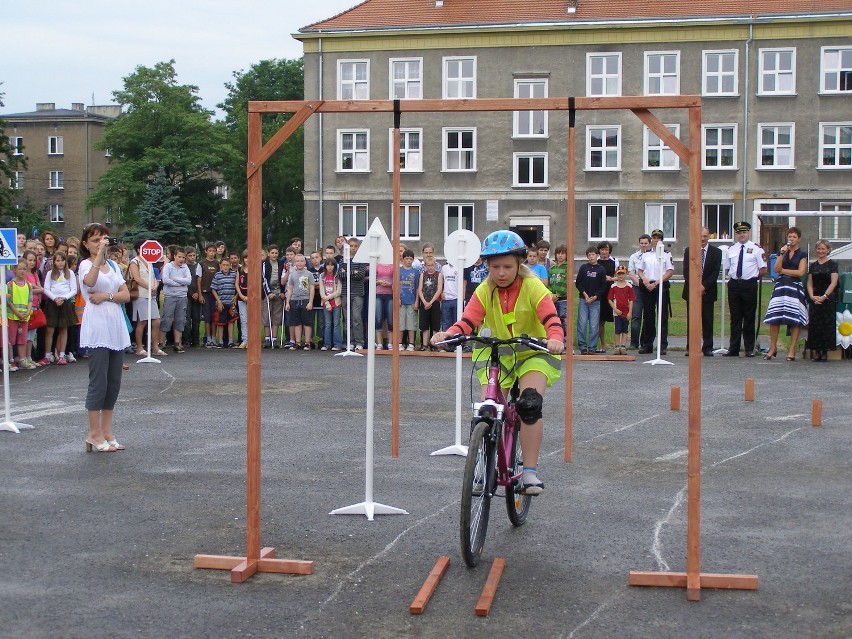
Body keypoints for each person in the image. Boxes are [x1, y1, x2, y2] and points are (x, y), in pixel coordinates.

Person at [431, 230, 564, 495]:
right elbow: (469, 321)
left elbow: (550, 316)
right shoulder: (484, 290)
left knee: (529, 404)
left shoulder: (533, 285)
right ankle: (485, 462)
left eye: (507, 266)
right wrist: (449, 334)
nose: (501, 272)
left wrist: (556, 337)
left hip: (533, 352)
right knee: (487, 410)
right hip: (497, 354)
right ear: (487, 266)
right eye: (495, 267)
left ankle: (529, 473)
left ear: (519, 264)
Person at [78, 223, 132, 452]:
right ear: (86, 244)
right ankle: (94, 432)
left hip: (115, 326)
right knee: (98, 382)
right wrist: (99, 255)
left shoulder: (113, 265)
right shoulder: (85, 264)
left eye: (103, 238)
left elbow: (126, 294)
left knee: (113, 384)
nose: (100, 242)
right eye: (95, 239)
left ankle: (107, 431)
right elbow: (89, 283)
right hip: (98, 327)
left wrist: (108, 295)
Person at [763, 227, 808, 361]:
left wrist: (784, 270)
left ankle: (792, 349)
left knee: (794, 319)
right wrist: (782, 255)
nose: (791, 239)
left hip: (794, 286)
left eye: (794, 237)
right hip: (781, 286)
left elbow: (800, 272)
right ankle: (773, 347)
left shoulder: (802, 254)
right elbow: (776, 269)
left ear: (798, 239)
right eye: (790, 236)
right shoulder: (782, 251)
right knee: (774, 317)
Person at [725, 221, 767, 357]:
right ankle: (734, 348)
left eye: (744, 232)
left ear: (748, 233)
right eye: (739, 232)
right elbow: (728, 268)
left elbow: (763, 269)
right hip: (734, 285)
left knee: (749, 317)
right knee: (735, 317)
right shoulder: (731, 249)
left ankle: (749, 348)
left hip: (749, 285)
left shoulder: (756, 248)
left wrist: (753, 278)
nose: (741, 235)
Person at [682, 227, 723, 356]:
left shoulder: (716, 252)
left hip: (708, 292)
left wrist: (703, 287)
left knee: (707, 320)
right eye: (700, 236)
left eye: (705, 236)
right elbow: (686, 271)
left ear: (708, 237)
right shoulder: (689, 251)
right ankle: (691, 347)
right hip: (691, 291)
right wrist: (695, 286)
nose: (703, 239)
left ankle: (707, 347)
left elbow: (715, 272)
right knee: (692, 321)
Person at [638, 229, 674, 355]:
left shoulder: (666, 254)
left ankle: (662, 345)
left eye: (658, 238)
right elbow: (640, 270)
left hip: (660, 286)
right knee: (648, 316)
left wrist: (657, 282)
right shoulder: (646, 254)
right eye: (654, 238)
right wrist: (645, 281)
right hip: (648, 286)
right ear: (651, 240)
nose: (656, 240)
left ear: (661, 240)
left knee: (662, 316)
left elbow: (669, 271)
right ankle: (648, 344)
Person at [129, 241, 165, 357]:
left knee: (156, 321)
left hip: (152, 295)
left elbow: (154, 277)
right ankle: (139, 348)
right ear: (139, 249)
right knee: (142, 321)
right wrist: (150, 287)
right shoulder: (134, 262)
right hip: (141, 294)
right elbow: (137, 279)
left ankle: (155, 347)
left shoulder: (150, 261)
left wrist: (155, 286)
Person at [805, 239, 840, 362]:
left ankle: (825, 351)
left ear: (828, 250)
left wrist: (824, 296)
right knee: (815, 325)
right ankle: (817, 351)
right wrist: (812, 295)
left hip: (828, 299)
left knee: (826, 324)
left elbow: (834, 282)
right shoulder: (813, 265)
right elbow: (809, 283)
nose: (821, 251)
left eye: (823, 249)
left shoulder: (832, 264)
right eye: (819, 249)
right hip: (815, 298)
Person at [42, 251, 78, 365]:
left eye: (62, 260)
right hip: (53, 303)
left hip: (65, 303)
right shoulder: (50, 273)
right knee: (50, 329)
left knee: (63, 329)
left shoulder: (70, 273)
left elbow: (74, 290)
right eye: (58, 260)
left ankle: (62, 355)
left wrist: (64, 298)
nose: (60, 263)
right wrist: (55, 298)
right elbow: (46, 289)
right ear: (54, 262)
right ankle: (48, 355)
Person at [575, 246, 607, 355]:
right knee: (582, 323)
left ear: (597, 256)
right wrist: (585, 294)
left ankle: (592, 347)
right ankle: (583, 346)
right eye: (589, 255)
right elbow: (578, 282)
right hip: (583, 299)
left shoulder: (601, 269)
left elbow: (603, 286)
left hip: (595, 301)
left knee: (594, 325)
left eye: (593, 255)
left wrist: (595, 296)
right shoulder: (584, 268)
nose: (591, 257)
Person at [160, 246, 191, 353]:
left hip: (182, 296)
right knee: (167, 318)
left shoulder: (185, 267)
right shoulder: (168, 266)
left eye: (183, 257)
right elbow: (165, 280)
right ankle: (161, 342)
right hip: (170, 296)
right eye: (179, 257)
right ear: (174, 256)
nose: (181, 259)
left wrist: (175, 279)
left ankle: (177, 343)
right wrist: (180, 284)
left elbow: (188, 281)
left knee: (180, 319)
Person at [5, 258, 34, 370]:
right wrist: (17, 313)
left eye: (24, 269)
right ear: (14, 270)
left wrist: (27, 313)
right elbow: (9, 301)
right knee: (11, 339)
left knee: (22, 339)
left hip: (24, 317)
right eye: (20, 269)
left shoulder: (28, 285)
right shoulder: (10, 284)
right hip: (13, 316)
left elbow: (30, 300)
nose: (22, 271)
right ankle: (11, 360)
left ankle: (22, 359)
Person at [338, 237, 367, 350]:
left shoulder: (361, 260)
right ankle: (350, 341)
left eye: (355, 246)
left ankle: (359, 342)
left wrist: (348, 273)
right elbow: (340, 275)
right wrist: (352, 273)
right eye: (351, 246)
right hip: (346, 292)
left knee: (356, 318)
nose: (353, 248)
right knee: (347, 319)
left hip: (357, 293)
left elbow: (360, 275)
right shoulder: (343, 260)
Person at [284, 254, 314, 350]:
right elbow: (290, 289)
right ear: (294, 263)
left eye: (301, 261)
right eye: (297, 261)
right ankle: (297, 342)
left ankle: (307, 342)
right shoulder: (292, 275)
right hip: (294, 300)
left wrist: (310, 302)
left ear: (305, 262)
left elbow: (312, 288)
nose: (299, 263)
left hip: (305, 300)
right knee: (296, 323)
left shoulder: (309, 274)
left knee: (307, 322)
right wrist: (288, 302)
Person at [627, 235, 651, 349]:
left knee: (648, 315)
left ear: (649, 244)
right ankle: (634, 342)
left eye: (646, 243)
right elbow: (631, 272)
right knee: (636, 315)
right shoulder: (634, 256)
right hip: (637, 288)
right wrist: (641, 283)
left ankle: (645, 342)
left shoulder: (652, 256)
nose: (643, 245)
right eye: (641, 243)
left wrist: (648, 284)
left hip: (650, 288)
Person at [417, 254, 443, 350]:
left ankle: (434, 344)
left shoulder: (439, 275)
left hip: (435, 302)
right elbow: (420, 290)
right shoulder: (422, 275)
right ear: (425, 266)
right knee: (424, 324)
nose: (430, 267)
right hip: (424, 302)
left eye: (432, 265)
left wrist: (431, 302)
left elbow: (439, 289)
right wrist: (424, 302)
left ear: (435, 265)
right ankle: (424, 344)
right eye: (428, 265)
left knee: (435, 324)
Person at [607, 265, 635, 355]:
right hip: (617, 312)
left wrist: (630, 312)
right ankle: (617, 346)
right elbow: (610, 299)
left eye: (622, 274)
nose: (621, 276)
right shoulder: (613, 287)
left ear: (626, 274)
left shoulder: (629, 287)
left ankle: (623, 346)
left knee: (625, 329)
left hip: (626, 312)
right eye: (619, 274)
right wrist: (615, 309)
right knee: (617, 329)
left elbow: (631, 300)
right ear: (616, 275)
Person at [261, 245, 285, 348]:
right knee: (267, 315)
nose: (274, 255)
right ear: (268, 253)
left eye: (276, 253)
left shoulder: (281, 263)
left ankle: (274, 338)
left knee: (276, 315)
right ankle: (267, 338)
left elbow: (284, 278)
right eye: (272, 253)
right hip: (268, 292)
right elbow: (263, 279)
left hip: (278, 292)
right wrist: (268, 292)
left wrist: (283, 292)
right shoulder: (264, 264)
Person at [596, 241, 618, 352]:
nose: (604, 251)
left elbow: (621, 276)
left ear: (609, 251)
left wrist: (611, 278)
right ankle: (602, 344)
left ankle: (617, 344)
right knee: (600, 320)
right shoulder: (596, 261)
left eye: (606, 249)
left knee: (616, 318)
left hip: (612, 291)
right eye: (602, 249)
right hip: (600, 292)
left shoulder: (614, 261)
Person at [210, 258, 237, 348]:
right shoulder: (217, 275)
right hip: (221, 302)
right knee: (220, 323)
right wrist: (218, 301)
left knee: (231, 322)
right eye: (224, 265)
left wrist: (236, 297)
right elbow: (213, 289)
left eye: (227, 265)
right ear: (220, 266)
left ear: (230, 266)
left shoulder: (234, 274)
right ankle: (220, 341)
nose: (225, 267)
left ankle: (230, 341)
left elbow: (237, 286)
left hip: (231, 302)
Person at [198, 243, 221, 348]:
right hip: (205, 292)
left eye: (213, 251)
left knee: (214, 316)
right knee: (207, 316)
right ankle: (208, 338)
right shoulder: (202, 263)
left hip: (215, 292)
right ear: (206, 251)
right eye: (210, 251)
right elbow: (199, 279)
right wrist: (200, 294)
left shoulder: (217, 263)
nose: (212, 253)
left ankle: (213, 337)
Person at [319, 257, 342, 351]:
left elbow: (338, 291)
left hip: (336, 303)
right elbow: (321, 291)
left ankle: (337, 344)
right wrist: (327, 303)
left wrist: (327, 298)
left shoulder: (337, 276)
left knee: (336, 323)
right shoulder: (322, 276)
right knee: (327, 324)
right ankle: (327, 344)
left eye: (332, 265)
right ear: (325, 266)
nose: (330, 267)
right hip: (326, 304)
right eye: (328, 265)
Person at [398, 249, 419, 351]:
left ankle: (411, 344)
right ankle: (399, 343)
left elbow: (418, 287)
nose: (409, 261)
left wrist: (417, 301)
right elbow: (395, 286)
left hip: (411, 301)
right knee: (401, 323)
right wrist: (397, 298)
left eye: (411, 259)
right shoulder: (399, 270)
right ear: (403, 259)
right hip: (401, 301)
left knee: (411, 324)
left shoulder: (415, 271)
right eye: (407, 258)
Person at [547, 245, 568, 338]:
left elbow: (566, 283)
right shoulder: (551, 269)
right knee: (555, 319)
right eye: (558, 253)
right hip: (553, 299)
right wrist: (552, 294)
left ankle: (566, 342)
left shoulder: (567, 268)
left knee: (564, 319)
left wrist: (559, 294)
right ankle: (557, 338)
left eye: (563, 253)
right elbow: (549, 283)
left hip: (563, 299)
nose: (560, 255)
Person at [374, 259, 394, 349]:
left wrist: (390, 284)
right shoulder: (377, 264)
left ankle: (390, 343)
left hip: (390, 294)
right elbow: (372, 281)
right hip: (378, 294)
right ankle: (379, 343)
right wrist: (379, 282)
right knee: (378, 318)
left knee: (390, 319)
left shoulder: (393, 264)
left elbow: (397, 280)